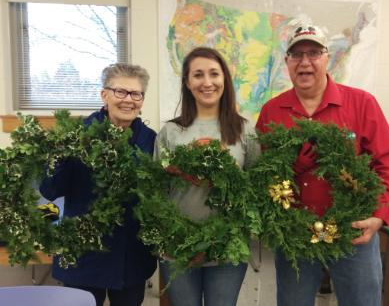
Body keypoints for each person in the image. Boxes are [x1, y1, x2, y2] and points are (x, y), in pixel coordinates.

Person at [256, 22, 389, 306]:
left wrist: (379, 214)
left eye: (313, 53)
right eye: (297, 55)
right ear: (287, 62)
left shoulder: (361, 103)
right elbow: (263, 172)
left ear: (327, 58)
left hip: (353, 231)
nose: (305, 62)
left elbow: (387, 163)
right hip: (295, 234)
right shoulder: (272, 111)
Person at [39, 63, 157, 306]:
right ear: (104, 95)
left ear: (142, 100)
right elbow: (50, 191)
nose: (129, 100)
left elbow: (158, 194)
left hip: (130, 258)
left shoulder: (150, 140)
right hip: (84, 254)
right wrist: (58, 156)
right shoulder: (77, 136)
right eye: (120, 92)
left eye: (136, 94)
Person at [155, 46, 260, 306]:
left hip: (228, 248)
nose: (207, 82)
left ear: (224, 79)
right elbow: (156, 190)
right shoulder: (171, 132)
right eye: (198, 75)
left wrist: (231, 175)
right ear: (188, 83)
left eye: (214, 74)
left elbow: (256, 186)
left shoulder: (244, 130)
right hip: (178, 247)